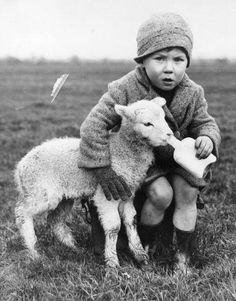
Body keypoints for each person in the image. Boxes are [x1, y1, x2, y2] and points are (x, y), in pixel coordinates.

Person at [78, 13, 221, 273]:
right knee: (160, 193)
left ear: (187, 61)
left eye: (178, 59)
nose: (169, 68)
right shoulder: (124, 88)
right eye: (159, 58)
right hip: (144, 162)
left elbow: (206, 123)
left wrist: (207, 138)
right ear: (142, 61)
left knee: (188, 192)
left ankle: (183, 256)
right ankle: (146, 247)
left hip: (179, 160)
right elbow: (93, 125)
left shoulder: (193, 93)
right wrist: (102, 168)